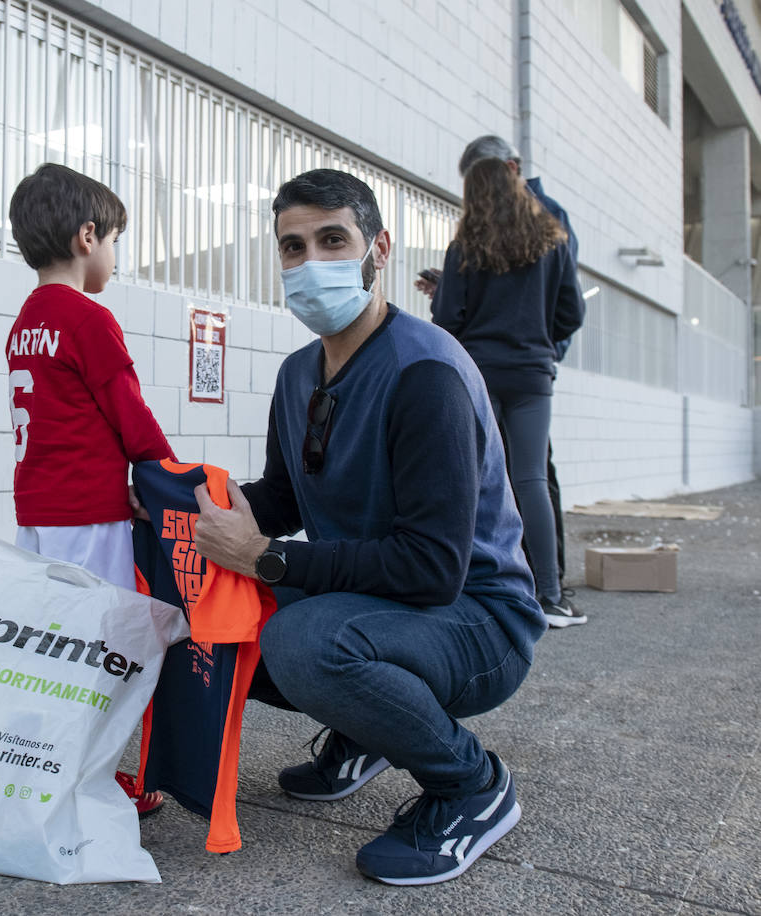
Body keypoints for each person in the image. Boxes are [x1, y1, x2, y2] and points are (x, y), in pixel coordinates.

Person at [190, 168, 546, 885]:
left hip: (477, 620)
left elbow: (430, 568)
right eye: (293, 247)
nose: (311, 262)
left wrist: (268, 560)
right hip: (387, 608)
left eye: (332, 239)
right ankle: (365, 730)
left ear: (378, 248)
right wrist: (186, 506)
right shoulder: (299, 376)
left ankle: (470, 785)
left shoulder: (425, 374)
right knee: (206, 601)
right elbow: (287, 495)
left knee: (301, 640)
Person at [5, 162, 175, 816]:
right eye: (113, 242)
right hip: (89, 518)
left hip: (41, 517)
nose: (113, 257)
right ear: (86, 236)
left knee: (51, 646)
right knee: (100, 653)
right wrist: (165, 478)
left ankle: (48, 769)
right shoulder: (88, 318)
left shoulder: (28, 320)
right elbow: (125, 409)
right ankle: (85, 784)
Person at [418, 135, 577, 594]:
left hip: (481, 373)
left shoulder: (466, 244)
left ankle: (470, 586)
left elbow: (449, 317)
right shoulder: (553, 237)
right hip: (531, 373)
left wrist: (451, 295)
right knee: (531, 479)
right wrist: (538, 342)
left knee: (473, 475)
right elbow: (572, 313)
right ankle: (548, 594)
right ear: (511, 172)